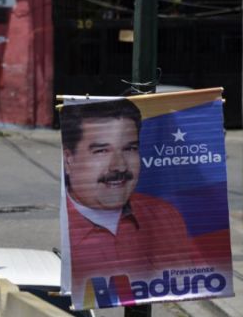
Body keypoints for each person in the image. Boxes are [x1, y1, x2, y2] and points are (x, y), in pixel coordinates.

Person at [61, 99, 197, 287]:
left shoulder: (166, 216)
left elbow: (185, 283)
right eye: (101, 151)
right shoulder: (61, 231)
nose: (119, 165)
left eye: (130, 149)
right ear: (69, 160)